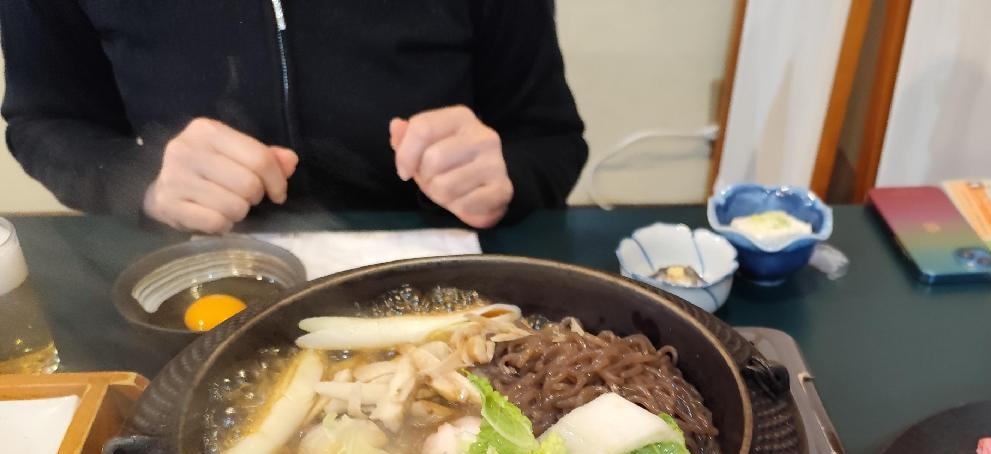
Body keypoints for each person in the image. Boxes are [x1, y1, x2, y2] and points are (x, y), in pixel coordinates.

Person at [0, 1, 587, 232]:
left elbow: (550, 138)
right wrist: (143, 179)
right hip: (198, 281)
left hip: (443, 280)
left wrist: (502, 174)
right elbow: (45, 122)